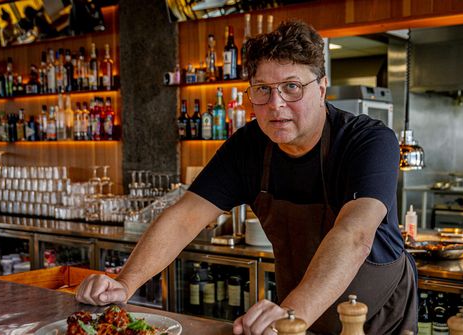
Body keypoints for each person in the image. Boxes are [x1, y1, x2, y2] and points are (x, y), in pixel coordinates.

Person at [75, 20, 417, 335]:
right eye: (262, 89)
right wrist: (125, 282)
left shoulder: (367, 140)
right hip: (296, 317)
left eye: (292, 87)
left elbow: (354, 234)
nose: (276, 104)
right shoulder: (249, 146)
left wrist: (292, 314)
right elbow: (184, 217)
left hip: (376, 319)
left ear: (322, 87)